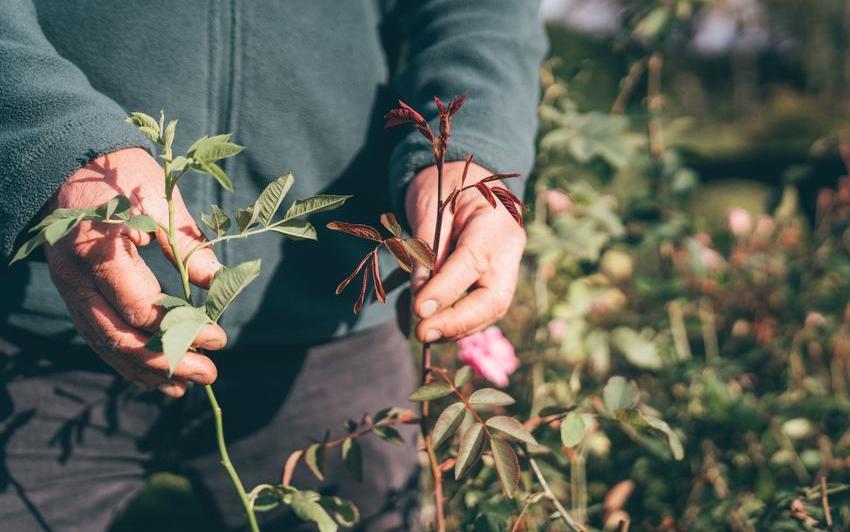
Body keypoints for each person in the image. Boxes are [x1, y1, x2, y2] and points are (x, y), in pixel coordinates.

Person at [0, 1, 546, 530]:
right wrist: (54, 141)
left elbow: (481, 10)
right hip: (37, 324)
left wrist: (470, 149)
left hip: (330, 327)